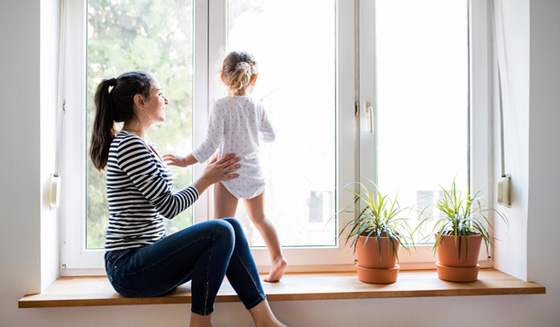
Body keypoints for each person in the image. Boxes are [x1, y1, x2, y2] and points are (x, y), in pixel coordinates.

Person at [89, 70, 288, 327]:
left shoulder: (144, 144)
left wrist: (210, 173)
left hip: (145, 259)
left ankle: (265, 321)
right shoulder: (129, 146)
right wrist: (207, 178)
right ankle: (201, 324)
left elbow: (161, 198)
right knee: (220, 230)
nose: (166, 100)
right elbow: (169, 206)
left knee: (232, 226)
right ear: (140, 101)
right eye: (159, 94)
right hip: (128, 268)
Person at [164, 51, 288, 282]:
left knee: (221, 227)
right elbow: (271, 135)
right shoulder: (257, 106)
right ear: (254, 79)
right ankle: (277, 258)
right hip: (254, 171)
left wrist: (184, 160)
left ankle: (219, 272)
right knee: (260, 218)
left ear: (222, 78)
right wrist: (251, 131)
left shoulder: (220, 106)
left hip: (228, 171)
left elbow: (210, 144)